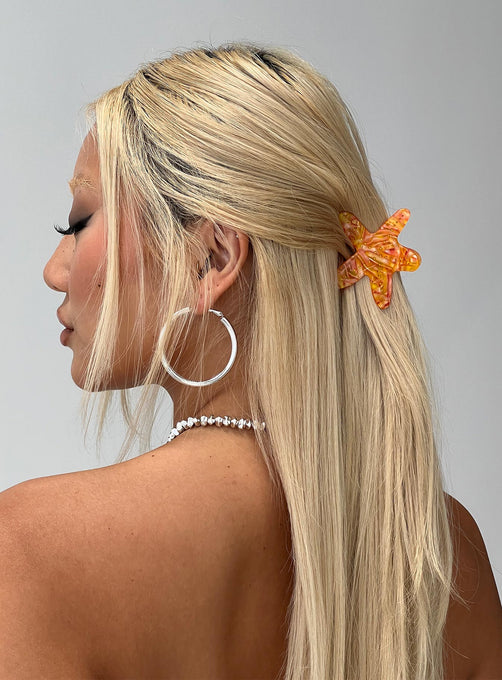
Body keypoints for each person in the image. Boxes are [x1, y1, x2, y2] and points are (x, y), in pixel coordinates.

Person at [0, 42, 500, 680]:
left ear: (212, 258)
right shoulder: (442, 552)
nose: (55, 270)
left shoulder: (30, 550)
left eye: (78, 223)